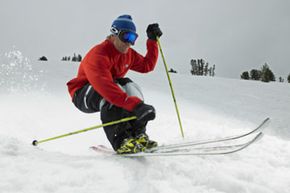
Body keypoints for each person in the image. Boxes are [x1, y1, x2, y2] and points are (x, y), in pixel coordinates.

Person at [66, 14, 162, 154]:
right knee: (113, 91)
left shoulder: (128, 53)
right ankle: (121, 140)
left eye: (133, 38)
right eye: (126, 37)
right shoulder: (99, 54)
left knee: (130, 86)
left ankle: (138, 135)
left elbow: (147, 65)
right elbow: (106, 87)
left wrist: (152, 41)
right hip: (82, 94)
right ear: (114, 33)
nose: (129, 43)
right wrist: (136, 106)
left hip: (109, 89)